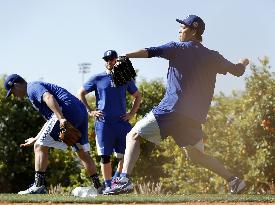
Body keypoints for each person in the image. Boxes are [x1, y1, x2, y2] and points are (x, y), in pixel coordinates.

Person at [104, 15, 250, 195]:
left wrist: (125, 55)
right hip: (194, 117)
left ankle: (124, 180)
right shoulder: (213, 56)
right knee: (196, 156)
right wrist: (243, 62)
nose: (179, 30)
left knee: (133, 134)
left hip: (171, 109)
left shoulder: (177, 48)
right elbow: (237, 71)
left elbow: (151, 51)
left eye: (183, 27)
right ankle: (234, 181)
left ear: (194, 30)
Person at [4, 74, 103, 194]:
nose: (14, 95)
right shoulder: (33, 89)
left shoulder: (32, 88)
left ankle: (38, 186)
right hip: (79, 112)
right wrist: (36, 137)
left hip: (66, 111)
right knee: (82, 153)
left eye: (12, 91)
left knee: (39, 147)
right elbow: (50, 121)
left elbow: (48, 97)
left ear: (16, 85)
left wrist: (61, 118)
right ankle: (99, 187)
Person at [77, 50, 142, 192]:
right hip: (103, 124)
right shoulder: (97, 78)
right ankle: (108, 185)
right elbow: (80, 93)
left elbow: (138, 96)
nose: (109, 62)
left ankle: (115, 184)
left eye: (112, 59)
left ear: (116, 60)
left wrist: (131, 113)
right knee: (105, 157)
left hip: (122, 124)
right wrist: (90, 111)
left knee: (124, 156)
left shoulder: (125, 77)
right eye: (106, 59)